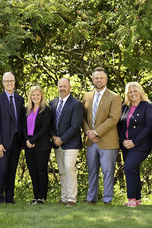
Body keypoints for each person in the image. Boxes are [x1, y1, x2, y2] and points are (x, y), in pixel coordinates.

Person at [82, 67, 121, 205]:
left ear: (106, 79)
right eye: (96, 78)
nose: (99, 80)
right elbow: (83, 118)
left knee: (108, 171)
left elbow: (113, 118)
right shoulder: (86, 96)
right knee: (92, 171)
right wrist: (90, 133)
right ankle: (91, 198)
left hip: (108, 141)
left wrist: (96, 132)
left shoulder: (115, 97)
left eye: (101, 78)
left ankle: (107, 199)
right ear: (93, 80)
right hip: (91, 141)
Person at [117, 82, 152, 207]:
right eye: (130, 92)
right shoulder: (125, 107)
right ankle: (137, 199)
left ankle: (131, 199)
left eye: (135, 91)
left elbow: (148, 127)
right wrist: (123, 140)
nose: (133, 94)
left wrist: (134, 142)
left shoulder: (147, 106)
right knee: (133, 169)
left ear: (140, 92)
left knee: (129, 167)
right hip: (126, 145)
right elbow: (120, 125)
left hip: (141, 145)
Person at [49, 78, 84, 207]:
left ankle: (72, 198)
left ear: (70, 88)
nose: (62, 89)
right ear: (57, 87)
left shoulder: (76, 104)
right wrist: (53, 136)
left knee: (69, 167)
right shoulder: (52, 103)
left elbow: (75, 126)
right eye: (60, 86)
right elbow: (50, 123)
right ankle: (63, 197)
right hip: (57, 143)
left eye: (65, 86)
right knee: (62, 171)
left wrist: (62, 139)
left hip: (71, 143)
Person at [0, 72, 25, 204]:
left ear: (14, 82)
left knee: (12, 170)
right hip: (3, 142)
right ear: (3, 83)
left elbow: (22, 121)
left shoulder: (20, 99)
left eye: (11, 81)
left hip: (16, 141)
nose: (9, 83)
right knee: (2, 169)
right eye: (6, 81)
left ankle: (10, 198)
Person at [22, 86, 52, 205]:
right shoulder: (27, 110)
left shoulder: (46, 110)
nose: (35, 97)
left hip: (42, 145)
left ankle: (42, 197)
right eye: (33, 95)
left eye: (37, 95)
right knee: (33, 171)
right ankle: (35, 196)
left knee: (41, 171)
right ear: (30, 97)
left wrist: (33, 140)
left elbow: (45, 128)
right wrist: (27, 141)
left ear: (41, 96)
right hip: (29, 145)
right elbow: (23, 127)